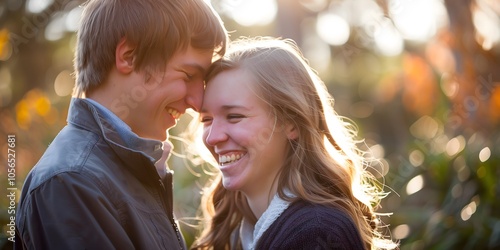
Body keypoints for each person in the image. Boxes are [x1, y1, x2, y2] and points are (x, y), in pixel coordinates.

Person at [15, 0, 228, 249]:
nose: (197, 101)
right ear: (129, 56)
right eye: (188, 75)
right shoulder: (70, 183)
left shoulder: (129, 165)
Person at [190, 37, 397, 250]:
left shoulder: (317, 236)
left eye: (234, 116)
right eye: (206, 119)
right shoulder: (239, 233)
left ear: (291, 123)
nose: (213, 137)